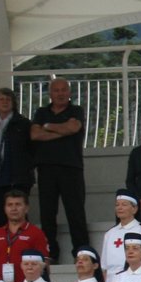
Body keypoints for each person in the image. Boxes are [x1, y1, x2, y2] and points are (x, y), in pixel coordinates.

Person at [30, 77, 90, 260]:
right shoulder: (41, 112)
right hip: (46, 169)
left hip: (71, 168)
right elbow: (34, 134)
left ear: (69, 92)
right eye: (56, 90)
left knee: (76, 213)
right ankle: (50, 254)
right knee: (48, 214)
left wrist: (48, 127)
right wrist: (61, 131)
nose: (61, 93)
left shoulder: (76, 110)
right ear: (50, 93)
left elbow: (73, 127)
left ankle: (82, 253)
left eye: (64, 90)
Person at [0, 88, 33, 227]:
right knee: (1, 217)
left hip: (18, 178)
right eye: (1, 99)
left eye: (8, 99)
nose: (5, 102)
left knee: (20, 217)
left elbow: (32, 149)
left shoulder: (24, 124)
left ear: (13, 103)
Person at [0, 189, 49, 282]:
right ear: (5, 208)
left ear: (26, 208)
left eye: (18, 204)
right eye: (10, 205)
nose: (14, 208)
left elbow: (44, 264)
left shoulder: (36, 233)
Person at [100, 192, 141, 277]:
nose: (119, 208)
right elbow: (105, 268)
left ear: (134, 209)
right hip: (111, 281)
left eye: (124, 204)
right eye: (117, 205)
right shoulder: (109, 233)